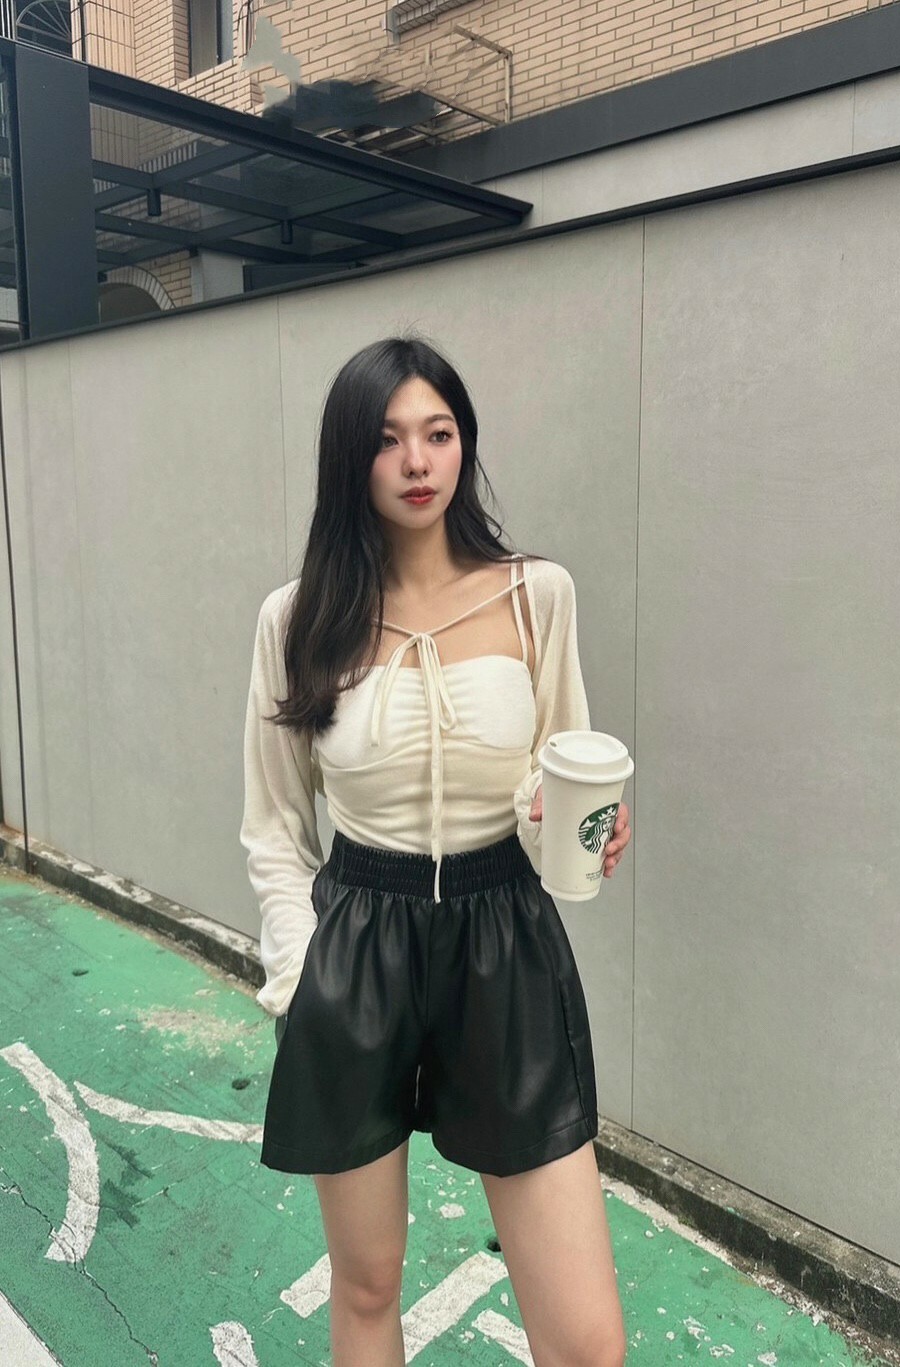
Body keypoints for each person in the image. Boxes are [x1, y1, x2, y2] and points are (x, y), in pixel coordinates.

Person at [239, 334, 632, 1366]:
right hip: (356, 945)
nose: (418, 461)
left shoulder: (535, 594)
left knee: (587, 1341)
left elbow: (558, 778)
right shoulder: (297, 618)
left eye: (439, 433)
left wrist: (579, 828)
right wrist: (300, 974)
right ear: (350, 457)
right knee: (368, 1284)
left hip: (504, 940)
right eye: (388, 439)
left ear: (464, 445)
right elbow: (275, 828)